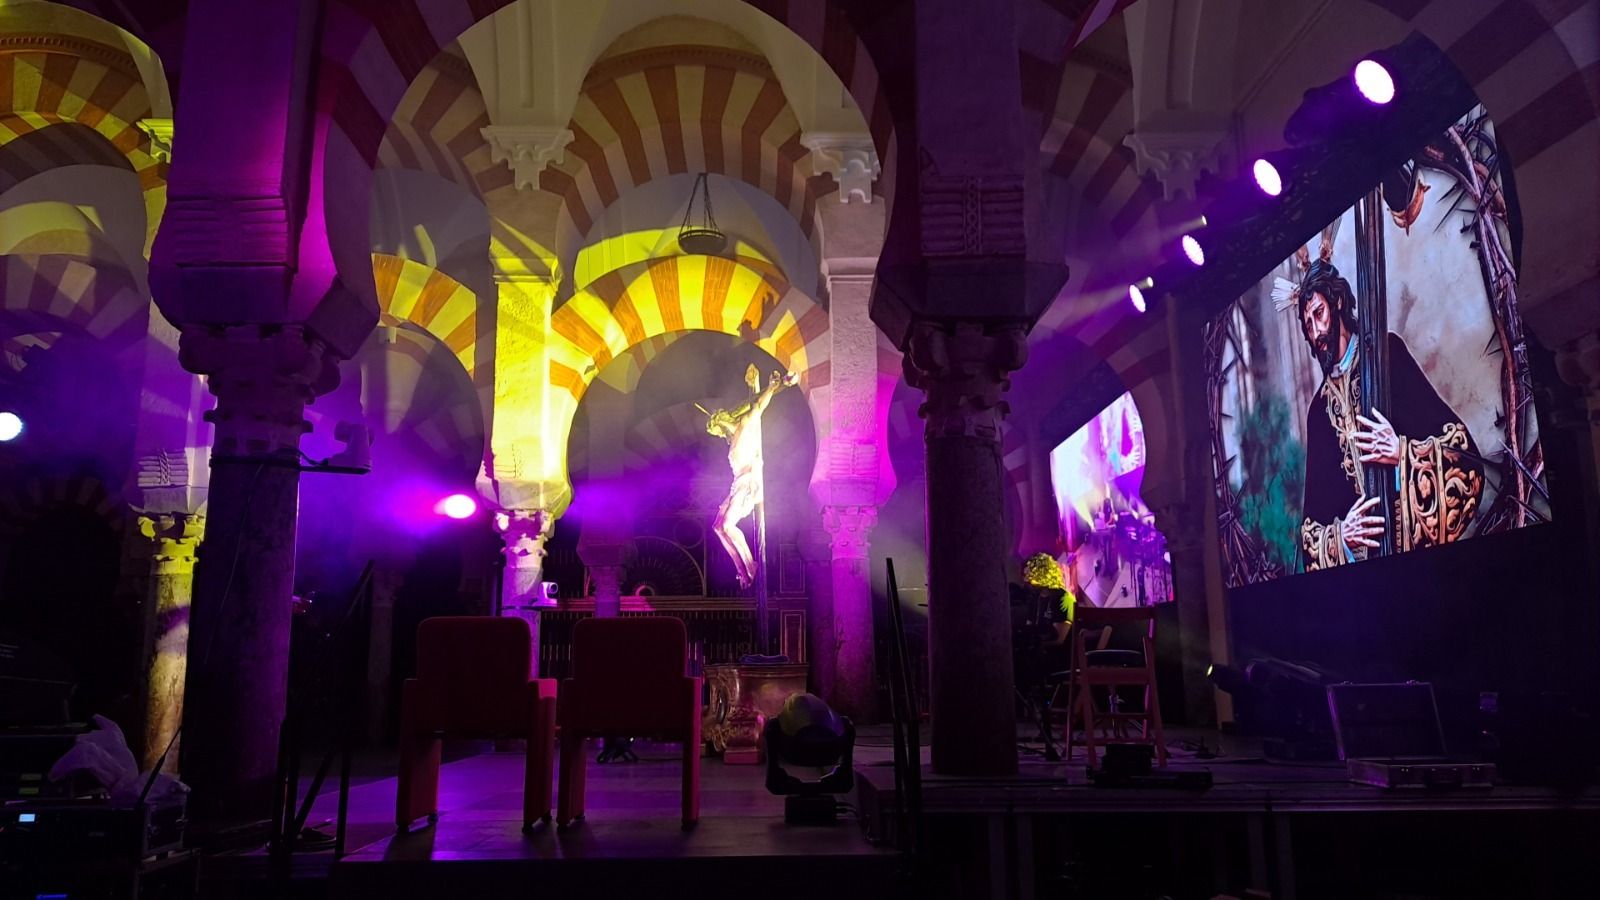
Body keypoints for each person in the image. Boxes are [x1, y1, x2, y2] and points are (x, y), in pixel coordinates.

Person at [1286, 257, 1483, 570]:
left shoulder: (1386, 354)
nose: (1316, 332)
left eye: (1319, 314)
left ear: (1337, 303)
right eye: (1308, 325)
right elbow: (1313, 530)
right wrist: (1341, 537)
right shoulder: (1318, 411)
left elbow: (1462, 455)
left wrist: (1401, 452)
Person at [700, 365, 798, 587]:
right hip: (738, 484)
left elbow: (757, 405)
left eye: (719, 429)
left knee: (727, 526)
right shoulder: (733, 439)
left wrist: (773, 386)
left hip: (748, 484)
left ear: (725, 421)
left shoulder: (745, 426)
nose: (720, 435)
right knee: (718, 527)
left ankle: (750, 564)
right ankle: (742, 569)